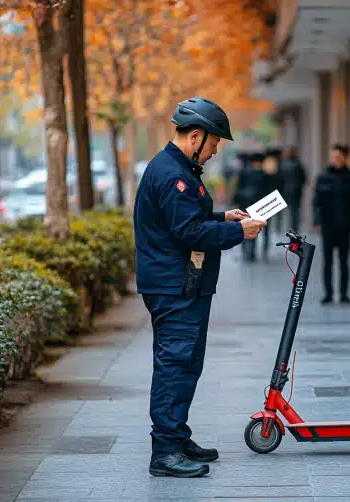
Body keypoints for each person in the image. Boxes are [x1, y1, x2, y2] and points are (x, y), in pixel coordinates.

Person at [133, 97, 267, 478]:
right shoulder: (173, 175)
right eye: (213, 144)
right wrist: (237, 231)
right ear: (195, 136)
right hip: (173, 287)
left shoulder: (176, 169)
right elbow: (187, 231)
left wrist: (223, 216)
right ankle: (164, 451)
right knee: (175, 364)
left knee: (186, 364)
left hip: (182, 285)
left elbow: (186, 217)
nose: (214, 151)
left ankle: (176, 437)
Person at [312, 143, 350, 305]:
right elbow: (316, 201)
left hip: (344, 227)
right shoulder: (323, 177)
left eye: (339, 156)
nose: (336, 159)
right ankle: (328, 293)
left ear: (344, 158)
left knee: (343, 261)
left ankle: (344, 294)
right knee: (327, 262)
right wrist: (317, 221)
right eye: (333, 156)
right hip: (327, 226)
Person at [279, 146, 306, 231]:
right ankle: (294, 229)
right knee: (295, 212)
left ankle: (282, 228)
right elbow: (304, 178)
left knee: (286, 212)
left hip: (285, 191)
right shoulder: (298, 164)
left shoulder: (282, 165)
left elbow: (279, 179)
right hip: (296, 191)